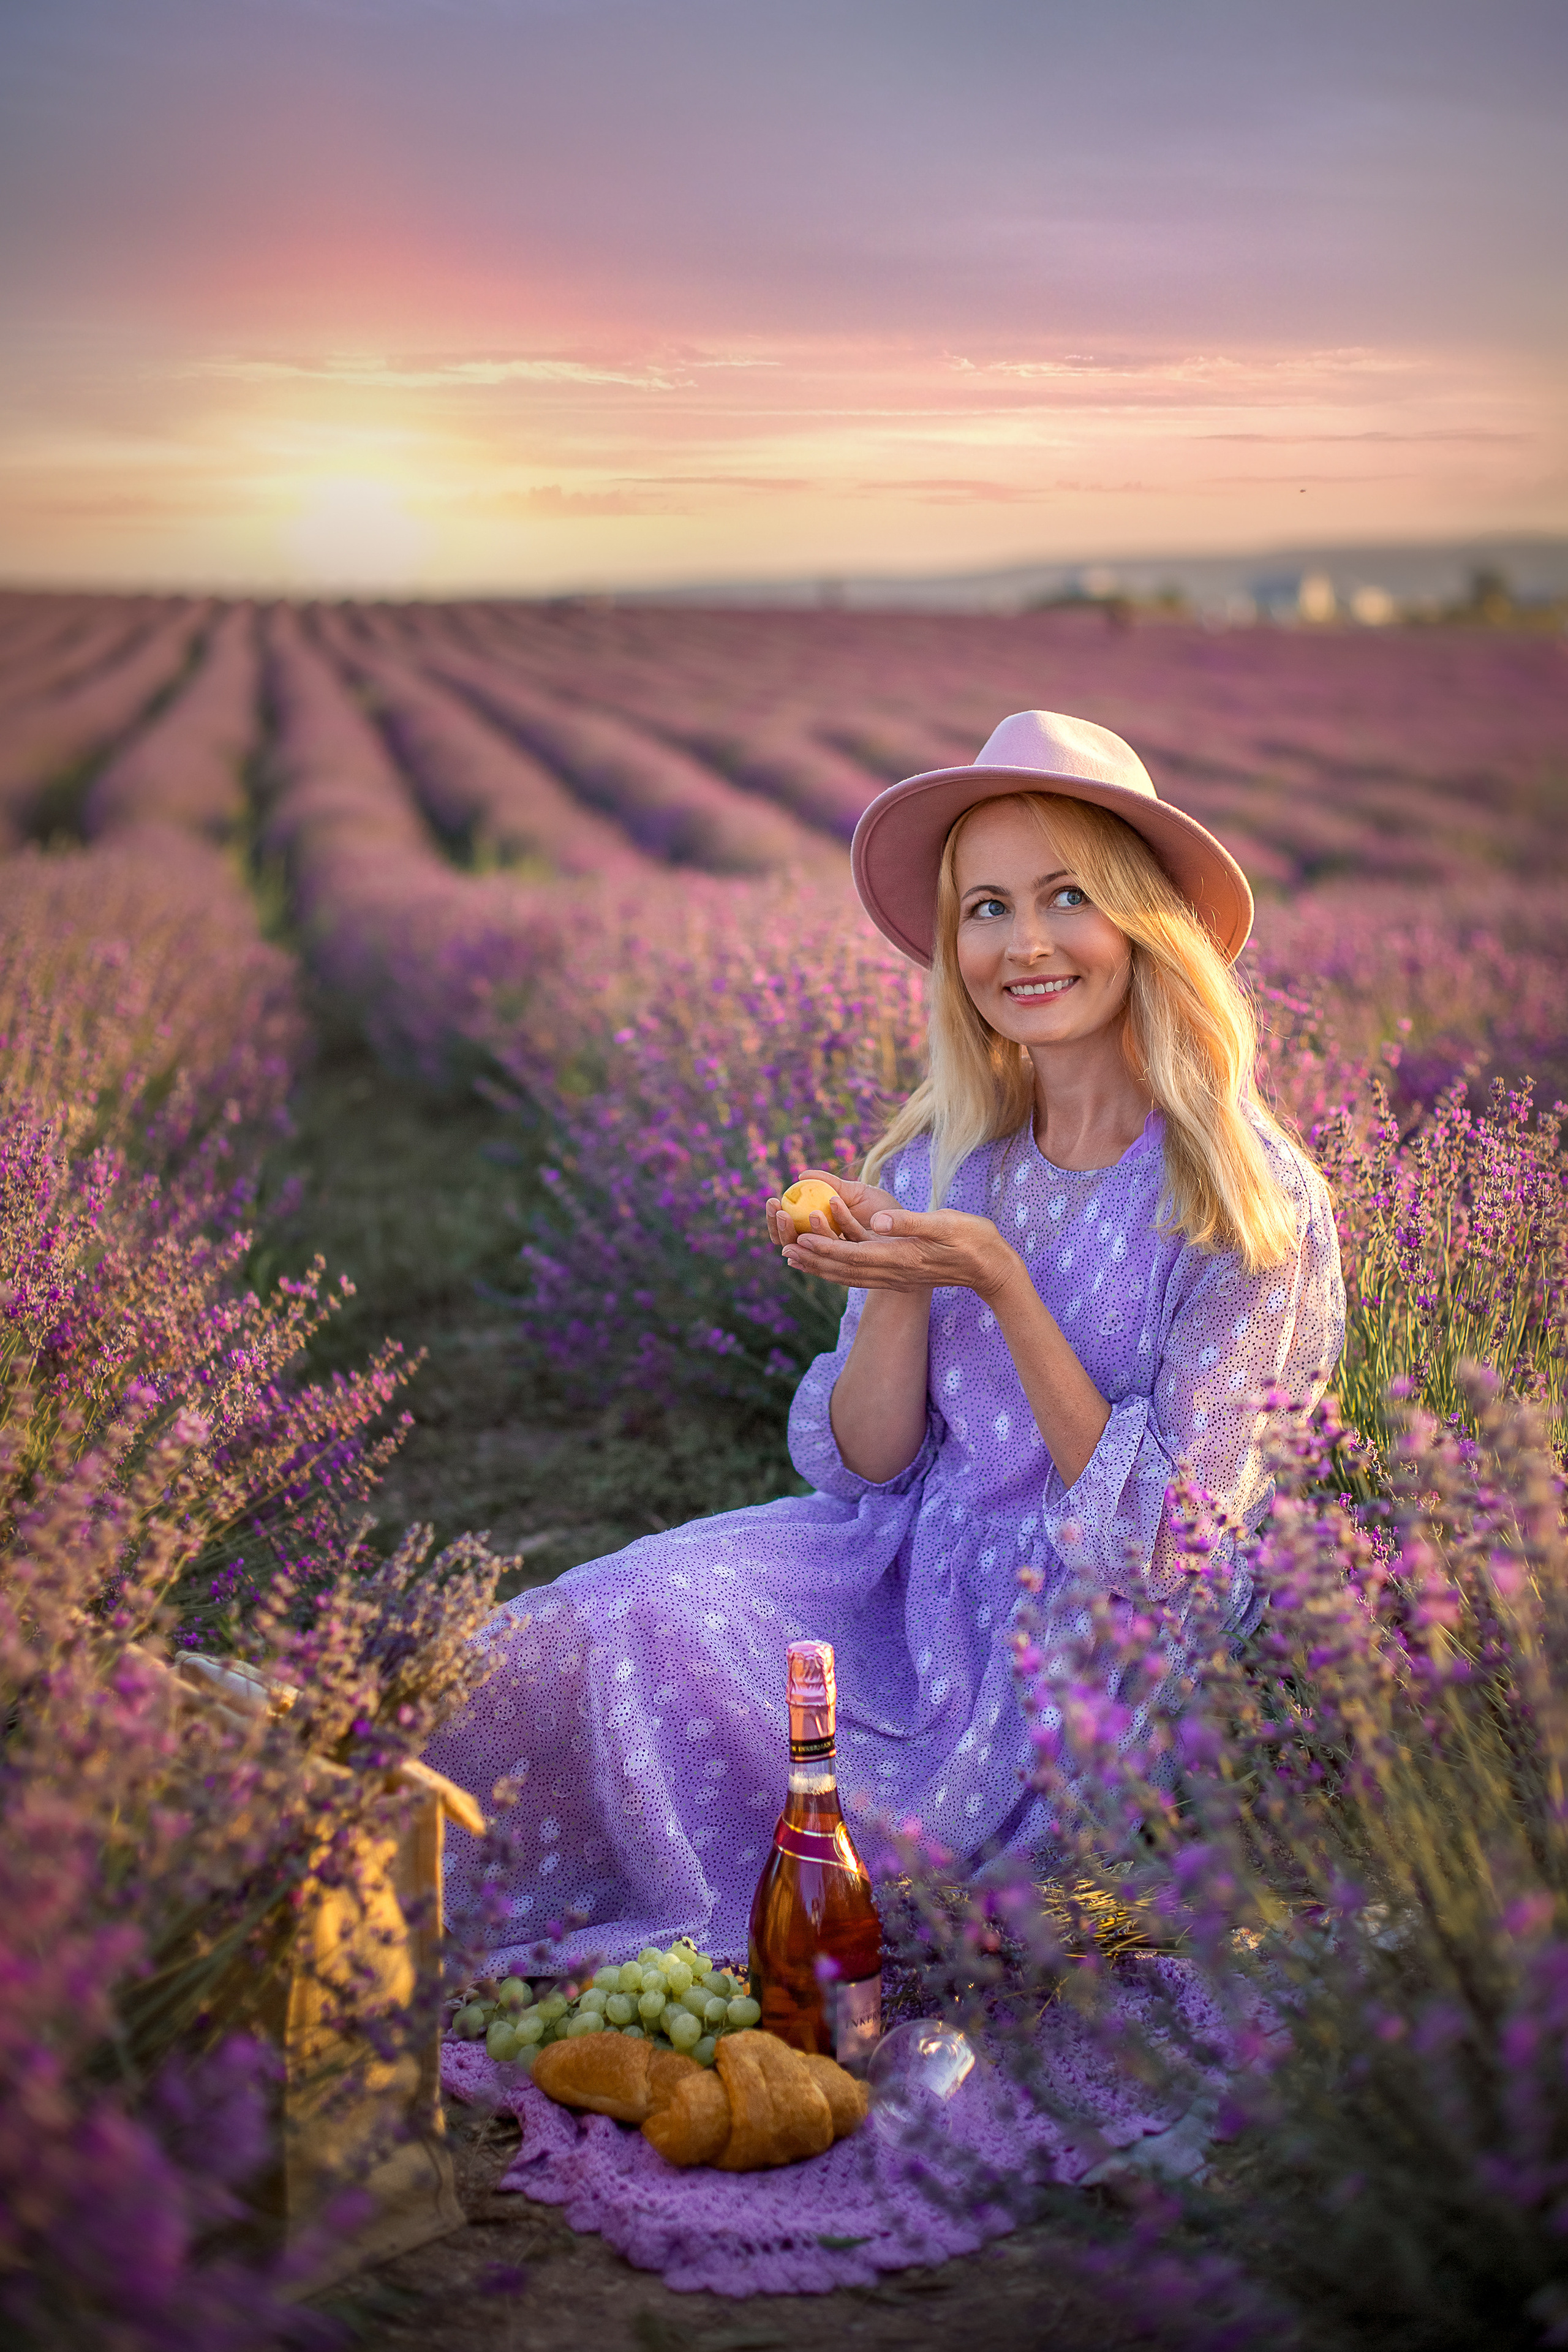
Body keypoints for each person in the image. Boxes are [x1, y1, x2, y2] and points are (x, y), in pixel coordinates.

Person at [425, 710, 1344, 1975]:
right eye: (984, 907)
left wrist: (1003, 1286)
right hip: (907, 1573)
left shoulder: (1244, 1204)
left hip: (1089, 1648)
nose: (1020, 944)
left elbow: (1169, 1550)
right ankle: (355, 1801)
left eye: (1064, 897)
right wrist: (900, 1280)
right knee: (629, 1604)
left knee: (894, 1868)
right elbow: (862, 1464)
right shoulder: (943, 1159)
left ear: (1143, 923)